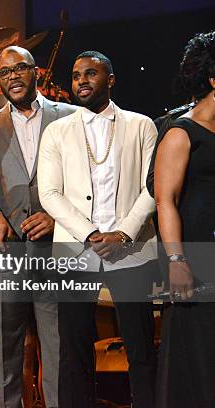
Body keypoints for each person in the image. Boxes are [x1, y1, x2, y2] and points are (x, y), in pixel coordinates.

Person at [38, 51, 158, 408]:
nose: (81, 81)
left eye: (91, 74)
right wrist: (90, 234)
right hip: (76, 251)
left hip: (132, 250)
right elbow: (50, 193)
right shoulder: (57, 131)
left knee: (139, 346)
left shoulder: (141, 125)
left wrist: (123, 233)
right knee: (73, 349)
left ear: (110, 79)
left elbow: (152, 187)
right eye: (76, 76)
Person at [0, 45, 76, 408]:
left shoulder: (71, 118)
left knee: (60, 354)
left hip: (56, 250)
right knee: (4, 356)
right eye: (4, 72)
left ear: (36, 72)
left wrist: (58, 215)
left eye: (19, 69)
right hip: (5, 252)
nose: (12, 77)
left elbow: (86, 181)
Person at [153, 30, 215, 408]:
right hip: (196, 253)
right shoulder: (181, 131)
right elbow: (165, 200)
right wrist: (176, 260)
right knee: (198, 348)